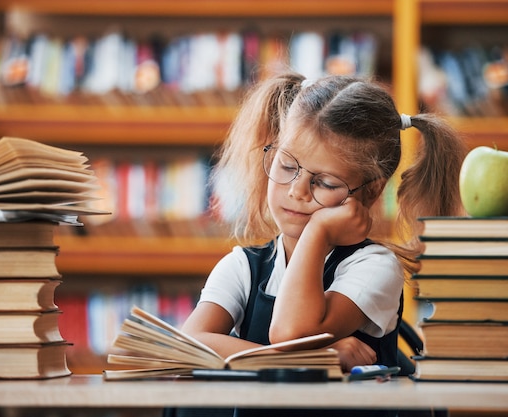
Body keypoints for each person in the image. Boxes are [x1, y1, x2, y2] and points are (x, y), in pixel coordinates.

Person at [169, 72, 467, 417]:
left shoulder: (374, 266)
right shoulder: (242, 268)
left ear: (369, 192)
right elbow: (184, 348)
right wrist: (314, 360)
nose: (297, 190)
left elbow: (291, 331)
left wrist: (318, 232)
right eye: (286, 165)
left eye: (324, 182)